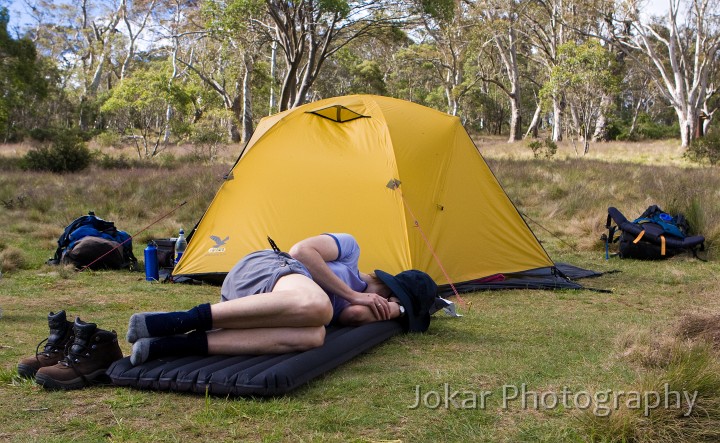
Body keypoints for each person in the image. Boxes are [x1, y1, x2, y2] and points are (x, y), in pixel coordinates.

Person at [127, 233, 438, 365]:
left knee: (315, 335)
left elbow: (354, 317)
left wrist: (394, 310)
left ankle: (169, 345)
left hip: (260, 305)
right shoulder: (350, 251)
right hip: (267, 268)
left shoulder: (353, 309)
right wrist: (353, 293)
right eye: (395, 303)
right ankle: (173, 321)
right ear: (388, 287)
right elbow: (301, 251)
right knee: (318, 306)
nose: (386, 310)